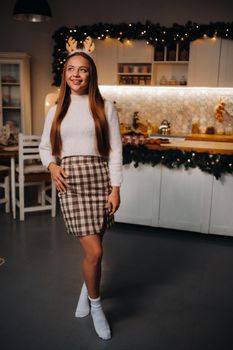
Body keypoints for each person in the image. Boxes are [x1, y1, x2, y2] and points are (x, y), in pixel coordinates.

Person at [39, 49, 122, 340]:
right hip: (71, 185)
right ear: (65, 74)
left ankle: (86, 291)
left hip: (99, 181)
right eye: (71, 69)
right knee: (96, 252)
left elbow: (114, 151)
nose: (76, 74)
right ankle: (97, 306)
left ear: (91, 74)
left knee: (94, 254)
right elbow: (45, 148)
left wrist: (115, 189)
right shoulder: (56, 110)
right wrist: (51, 166)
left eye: (83, 69)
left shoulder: (104, 106)